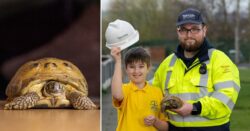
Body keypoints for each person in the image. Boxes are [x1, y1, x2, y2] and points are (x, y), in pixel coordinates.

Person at [152, 8, 240, 131]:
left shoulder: (220, 60)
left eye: (194, 29)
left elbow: (226, 99)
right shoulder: (167, 63)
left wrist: (194, 107)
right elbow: (151, 93)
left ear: (204, 30)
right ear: (178, 32)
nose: (189, 35)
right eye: (183, 30)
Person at [111, 47, 168, 131]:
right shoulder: (124, 89)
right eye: (132, 67)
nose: (136, 71)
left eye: (141, 66)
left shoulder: (157, 92)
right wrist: (118, 61)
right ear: (126, 69)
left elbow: (166, 127)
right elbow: (116, 94)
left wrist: (155, 121)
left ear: (148, 68)